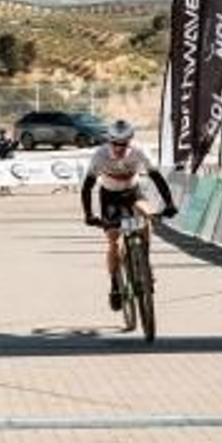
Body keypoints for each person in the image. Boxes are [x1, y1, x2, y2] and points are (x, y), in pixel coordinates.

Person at [80, 119, 177, 312]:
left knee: (147, 215)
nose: (119, 147)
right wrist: (89, 215)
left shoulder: (139, 151)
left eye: (123, 144)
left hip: (132, 193)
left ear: (130, 142)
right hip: (109, 197)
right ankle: (115, 285)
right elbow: (87, 187)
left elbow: (156, 177)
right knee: (113, 242)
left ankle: (145, 264)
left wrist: (169, 203)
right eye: (115, 143)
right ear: (110, 141)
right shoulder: (100, 155)